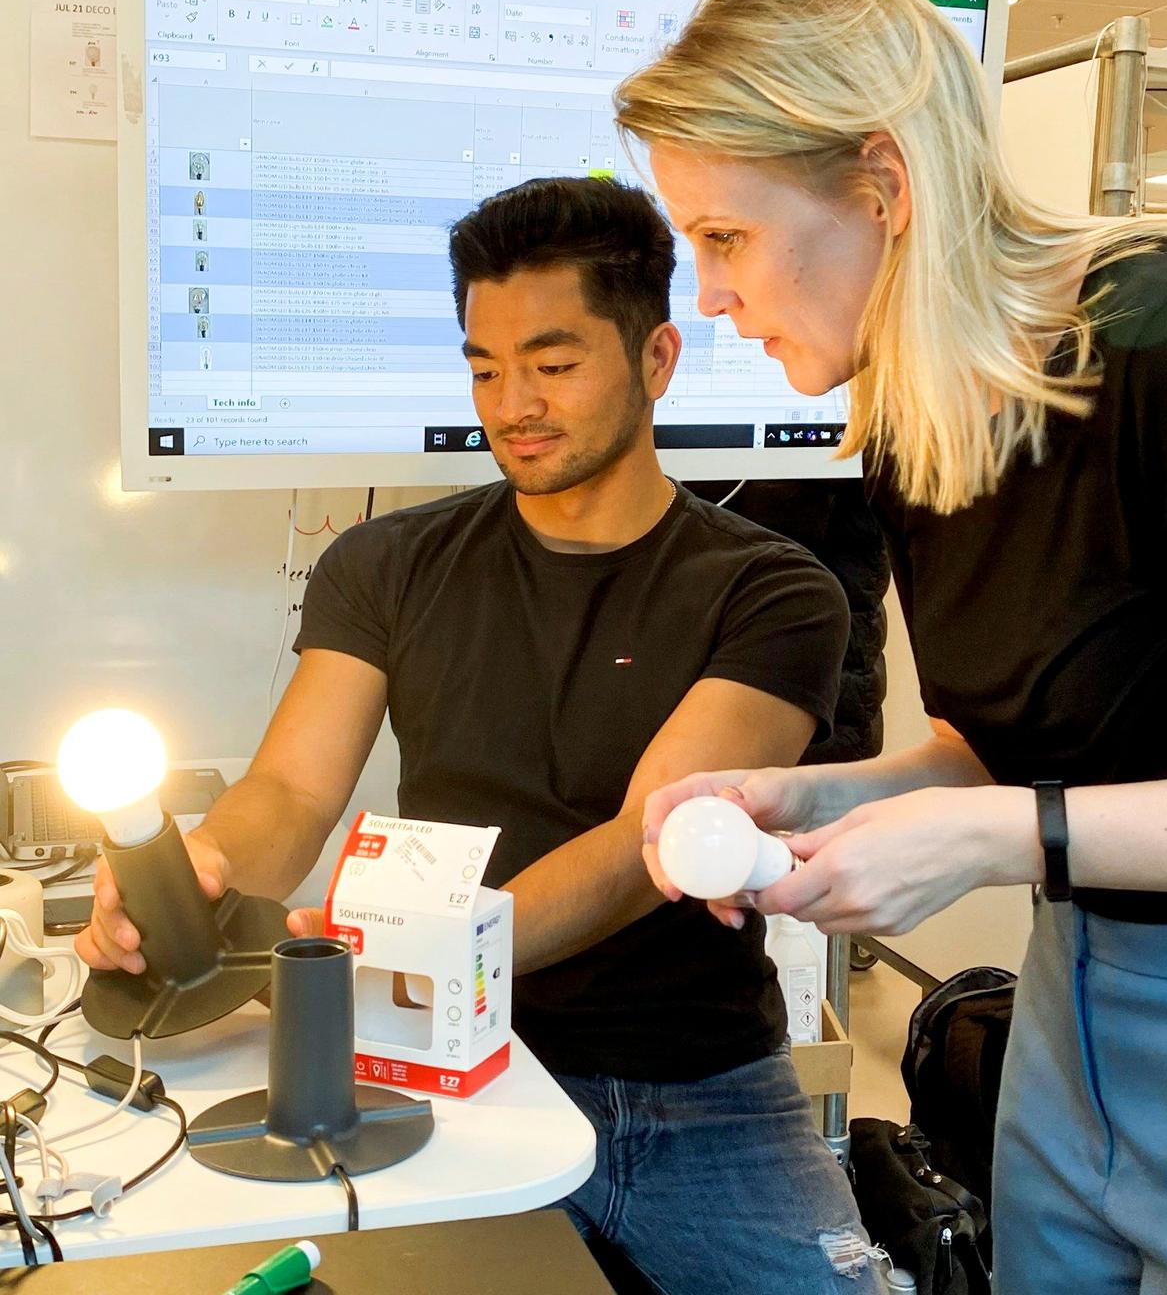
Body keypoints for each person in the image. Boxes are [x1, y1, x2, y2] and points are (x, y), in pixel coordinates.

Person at [618, 0, 1167, 1294]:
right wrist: (810, 795)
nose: (708, 297)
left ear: (883, 184)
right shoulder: (920, 420)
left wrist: (1000, 836)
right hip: (1078, 1012)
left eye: (726, 237)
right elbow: (1004, 738)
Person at [78, 176, 883, 1295]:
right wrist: (203, 867)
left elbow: (637, 847)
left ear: (655, 359)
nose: (512, 402)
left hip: (697, 1087)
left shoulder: (773, 590)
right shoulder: (387, 565)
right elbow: (290, 793)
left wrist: (415, 947)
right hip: (443, 1064)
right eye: (484, 366)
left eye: (552, 364)